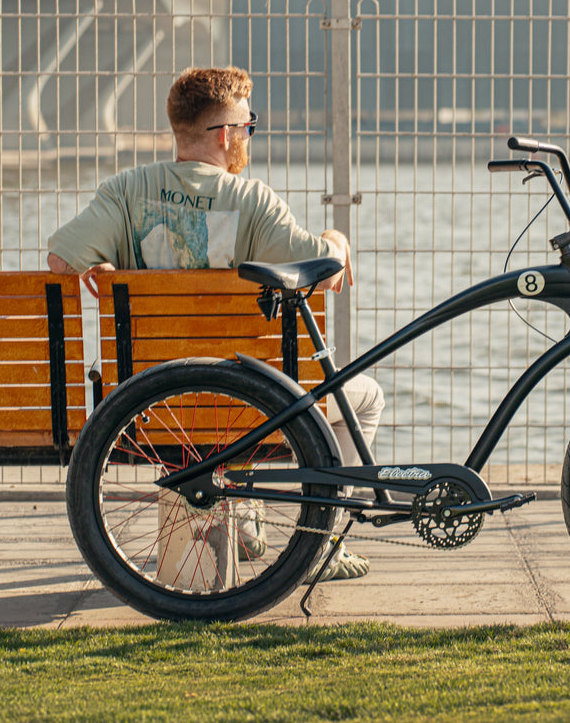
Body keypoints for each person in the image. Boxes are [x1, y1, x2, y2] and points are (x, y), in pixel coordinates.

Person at [48, 66, 381, 581]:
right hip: (247, 412)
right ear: (225, 134)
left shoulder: (126, 190)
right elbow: (328, 274)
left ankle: (245, 524)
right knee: (363, 396)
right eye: (248, 126)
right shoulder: (254, 202)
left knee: (225, 374)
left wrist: (99, 266)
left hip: (151, 409)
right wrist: (337, 238)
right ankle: (324, 544)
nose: (249, 136)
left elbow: (60, 262)